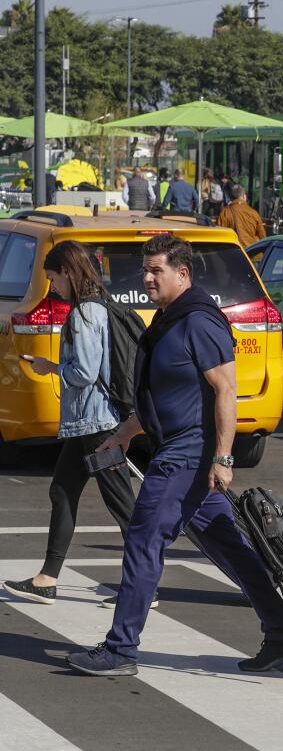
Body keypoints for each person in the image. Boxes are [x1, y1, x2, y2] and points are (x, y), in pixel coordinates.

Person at [64, 235, 283, 676]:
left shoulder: (199, 321)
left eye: (157, 270)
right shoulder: (168, 319)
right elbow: (165, 391)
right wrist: (123, 434)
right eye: (146, 269)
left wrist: (225, 458)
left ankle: (120, 651)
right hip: (178, 447)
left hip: (190, 452)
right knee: (228, 546)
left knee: (143, 538)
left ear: (183, 274)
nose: (148, 277)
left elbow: (226, 390)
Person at [3, 242, 138, 607]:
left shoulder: (84, 314)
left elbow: (84, 372)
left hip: (98, 426)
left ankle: (143, 585)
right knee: (62, 491)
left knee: (123, 506)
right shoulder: (95, 308)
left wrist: (51, 369)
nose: (54, 288)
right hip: (87, 426)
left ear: (68, 271)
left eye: (54, 279)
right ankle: (47, 578)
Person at [217, 183, 267, 247]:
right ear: (244, 196)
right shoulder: (254, 213)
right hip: (253, 253)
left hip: (234, 253)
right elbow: (262, 237)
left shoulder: (225, 213)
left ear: (230, 197)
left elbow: (221, 236)